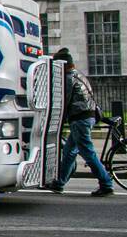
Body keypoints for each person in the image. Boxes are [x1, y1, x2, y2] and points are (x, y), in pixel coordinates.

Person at [47, 47, 115, 197]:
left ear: (63, 65)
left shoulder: (68, 79)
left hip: (80, 119)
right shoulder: (80, 75)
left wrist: (56, 120)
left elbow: (64, 102)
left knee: (87, 152)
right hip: (88, 116)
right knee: (69, 151)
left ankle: (106, 184)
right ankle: (59, 183)